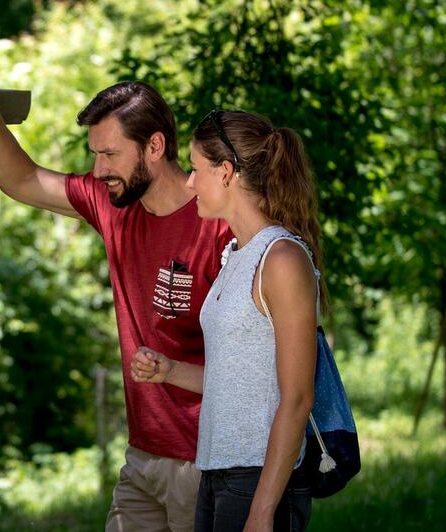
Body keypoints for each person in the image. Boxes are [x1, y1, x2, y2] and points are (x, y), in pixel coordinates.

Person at [0, 69, 231, 531]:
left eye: (110, 154)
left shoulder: (218, 224)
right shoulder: (112, 202)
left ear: (155, 147)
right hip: (142, 456)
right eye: (94, 155)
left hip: (206, 462)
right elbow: (21, 179)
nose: (99, 169)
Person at [130, 110, 325, 531]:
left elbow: (296, 398)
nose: (187, 181)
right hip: (216, 471)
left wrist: (261, 512)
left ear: (225, 173)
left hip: (258, 478)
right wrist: (169, 370)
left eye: (196, 169)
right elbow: (236, 378)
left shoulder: (282, 259)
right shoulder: (234, 255)